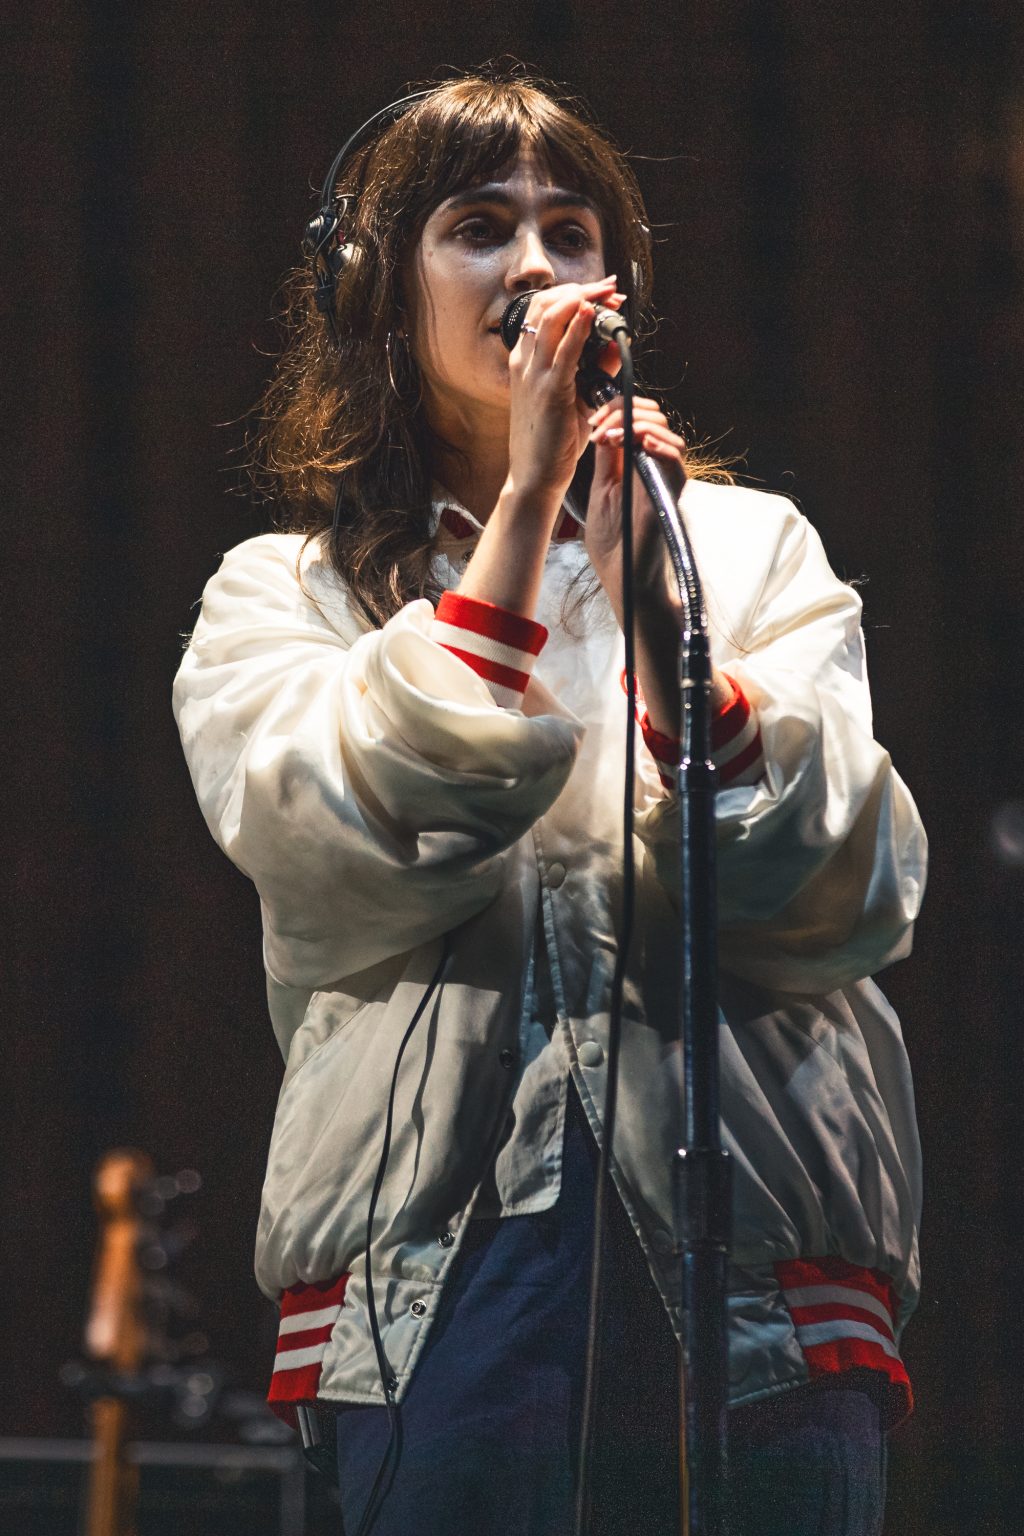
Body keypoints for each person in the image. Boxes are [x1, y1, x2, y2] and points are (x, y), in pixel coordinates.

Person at [173, 74, 927, 1536]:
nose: (536, 267)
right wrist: (528, 510)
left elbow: (850, 884)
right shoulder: (286, 589)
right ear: (379, 292)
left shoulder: (747, 549)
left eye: (570, 231)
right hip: (432, 1288)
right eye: (479, 226)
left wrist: (663, 620)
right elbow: (343, 849)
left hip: (755, 1270)